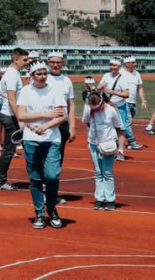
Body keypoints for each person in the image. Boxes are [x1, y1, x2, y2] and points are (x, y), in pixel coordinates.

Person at [16, 62, 67, 229]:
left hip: (52, 138)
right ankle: (39, 213)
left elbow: (62, 116)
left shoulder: (55, 90)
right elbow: (21, 115)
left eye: (45, 73)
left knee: (52, 176)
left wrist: (45, 126)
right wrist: (46, 114)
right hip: (31, 139)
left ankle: (51, 209)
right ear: (32, 75)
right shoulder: (26, 91)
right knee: (35, 177)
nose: (43, 76)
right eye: (39, 73)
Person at [0, 47, 32, 191]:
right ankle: (0, 181)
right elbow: (11, 99)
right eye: (25, 60)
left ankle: (34, 179)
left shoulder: (14, 73)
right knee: (9, 150)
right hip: (10, 116)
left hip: (12, 115)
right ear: (16, 59)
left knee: (17, 148)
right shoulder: (11, 75)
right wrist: (20, 118)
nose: (27, 62)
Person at [81, 90, 124, 211]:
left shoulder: (111, 110)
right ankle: (99, 198)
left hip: (108, 143)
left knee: (107, 172)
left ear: (102, 102)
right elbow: (86, 122)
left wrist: (119, 147)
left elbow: (118, 126)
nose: (95, 110)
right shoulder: (88, 108)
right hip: (94, 143)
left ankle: (110, 199)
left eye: (97, 107)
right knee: (98, 172)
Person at [45, 51, 76, 206]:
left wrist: (72, 127)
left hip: (62, 125)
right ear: (48, 63)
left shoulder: (67, 81)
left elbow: (71, 105)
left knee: (57, 160)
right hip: (46, 123)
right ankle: (42, 192)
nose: (55, 65)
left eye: (58, 62)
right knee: (43, 159)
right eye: (53, 62)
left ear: (63, 63)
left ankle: (52, 193)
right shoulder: (43, 78)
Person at [98, 58, 131, 161]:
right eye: (111, 65)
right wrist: (100, 87)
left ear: (119, 67)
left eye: (114, 65)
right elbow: (98, 88)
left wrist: (113, 92)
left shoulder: (123, 79)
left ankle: (120, 151)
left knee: (121, 129)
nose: (112, 67)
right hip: (106, 107)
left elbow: (126, 94)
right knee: (106, 127)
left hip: (119, 107)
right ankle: (105, 149)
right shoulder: (106, 76)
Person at [120, 56, 145, 152]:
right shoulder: (121, 73)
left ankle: (117, 139)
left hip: (133, 102)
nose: (135, 64)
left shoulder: (136, 73)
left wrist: (143, 100)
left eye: (135, 62)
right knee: (127, 122)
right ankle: (132, 142)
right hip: (124, 101)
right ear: (127, 64)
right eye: (133, 62)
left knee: (124, 123)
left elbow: (140, 88)